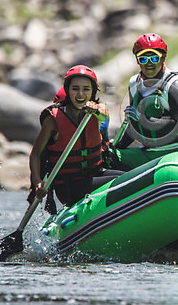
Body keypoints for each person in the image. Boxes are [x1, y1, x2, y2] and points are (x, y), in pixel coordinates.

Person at [29, 65, 124, 207]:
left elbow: (104, 114)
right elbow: (36, 152)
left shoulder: (98, 111)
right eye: (75, 89)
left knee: (129, 178)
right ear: (67, 90)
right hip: (69, 186)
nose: (80, 94)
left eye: (86, 89)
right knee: (123, 182)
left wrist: (95, 110)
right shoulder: (53, 119)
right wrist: (37, 181)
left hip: (95, 174)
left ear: (92, 92)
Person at [111, 33, 178, 169]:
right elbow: (134, 126)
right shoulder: (134, 83)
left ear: (163, 58)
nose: (149, 64)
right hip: (150, 152)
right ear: (137, 60)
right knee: (108, 157)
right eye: (143, 59)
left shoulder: (176, 84)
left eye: (154, 58)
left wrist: (143, 119)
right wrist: (116, 147)